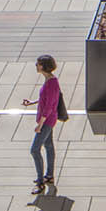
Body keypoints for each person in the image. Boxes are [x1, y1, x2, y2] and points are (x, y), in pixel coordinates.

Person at [31, 54, 63, 193]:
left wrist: (40, 125)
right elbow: (48, 99)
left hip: (47, 121)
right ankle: (49, 176)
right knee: (49, 146)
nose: (36, 66)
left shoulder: (51, 83)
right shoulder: (50, 81)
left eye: (38, 63)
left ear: (43, 66)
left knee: (34, 150)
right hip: (49, 119)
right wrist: (33, 102)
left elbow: (49, 106)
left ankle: (40, 182)